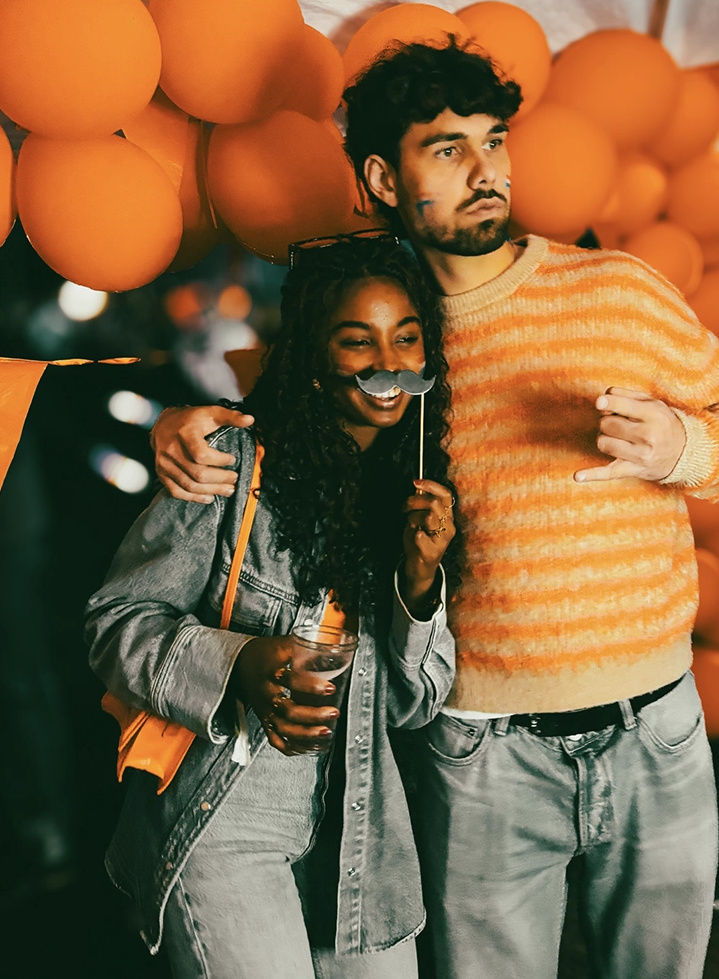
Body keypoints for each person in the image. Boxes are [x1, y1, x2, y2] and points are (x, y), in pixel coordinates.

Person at [149, 41, 719, 979]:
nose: (488, 171)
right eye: (448, 150)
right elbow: (280, 435)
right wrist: (176, 426)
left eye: (495, 141)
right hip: (482, 753)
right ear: (380, 177)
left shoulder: (616, 289)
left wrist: (686, 448)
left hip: (659, 729)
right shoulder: (382, 331)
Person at [85, 233, 460, 979]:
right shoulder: (233, 464)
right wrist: (240, 662)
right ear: (315, 360)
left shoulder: (413, 492)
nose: (387, 362)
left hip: (360, 836)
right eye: (357, 342)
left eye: (405, 337)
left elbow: (412, 707)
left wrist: (419, 589)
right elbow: (115, 622)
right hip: (227, 817)